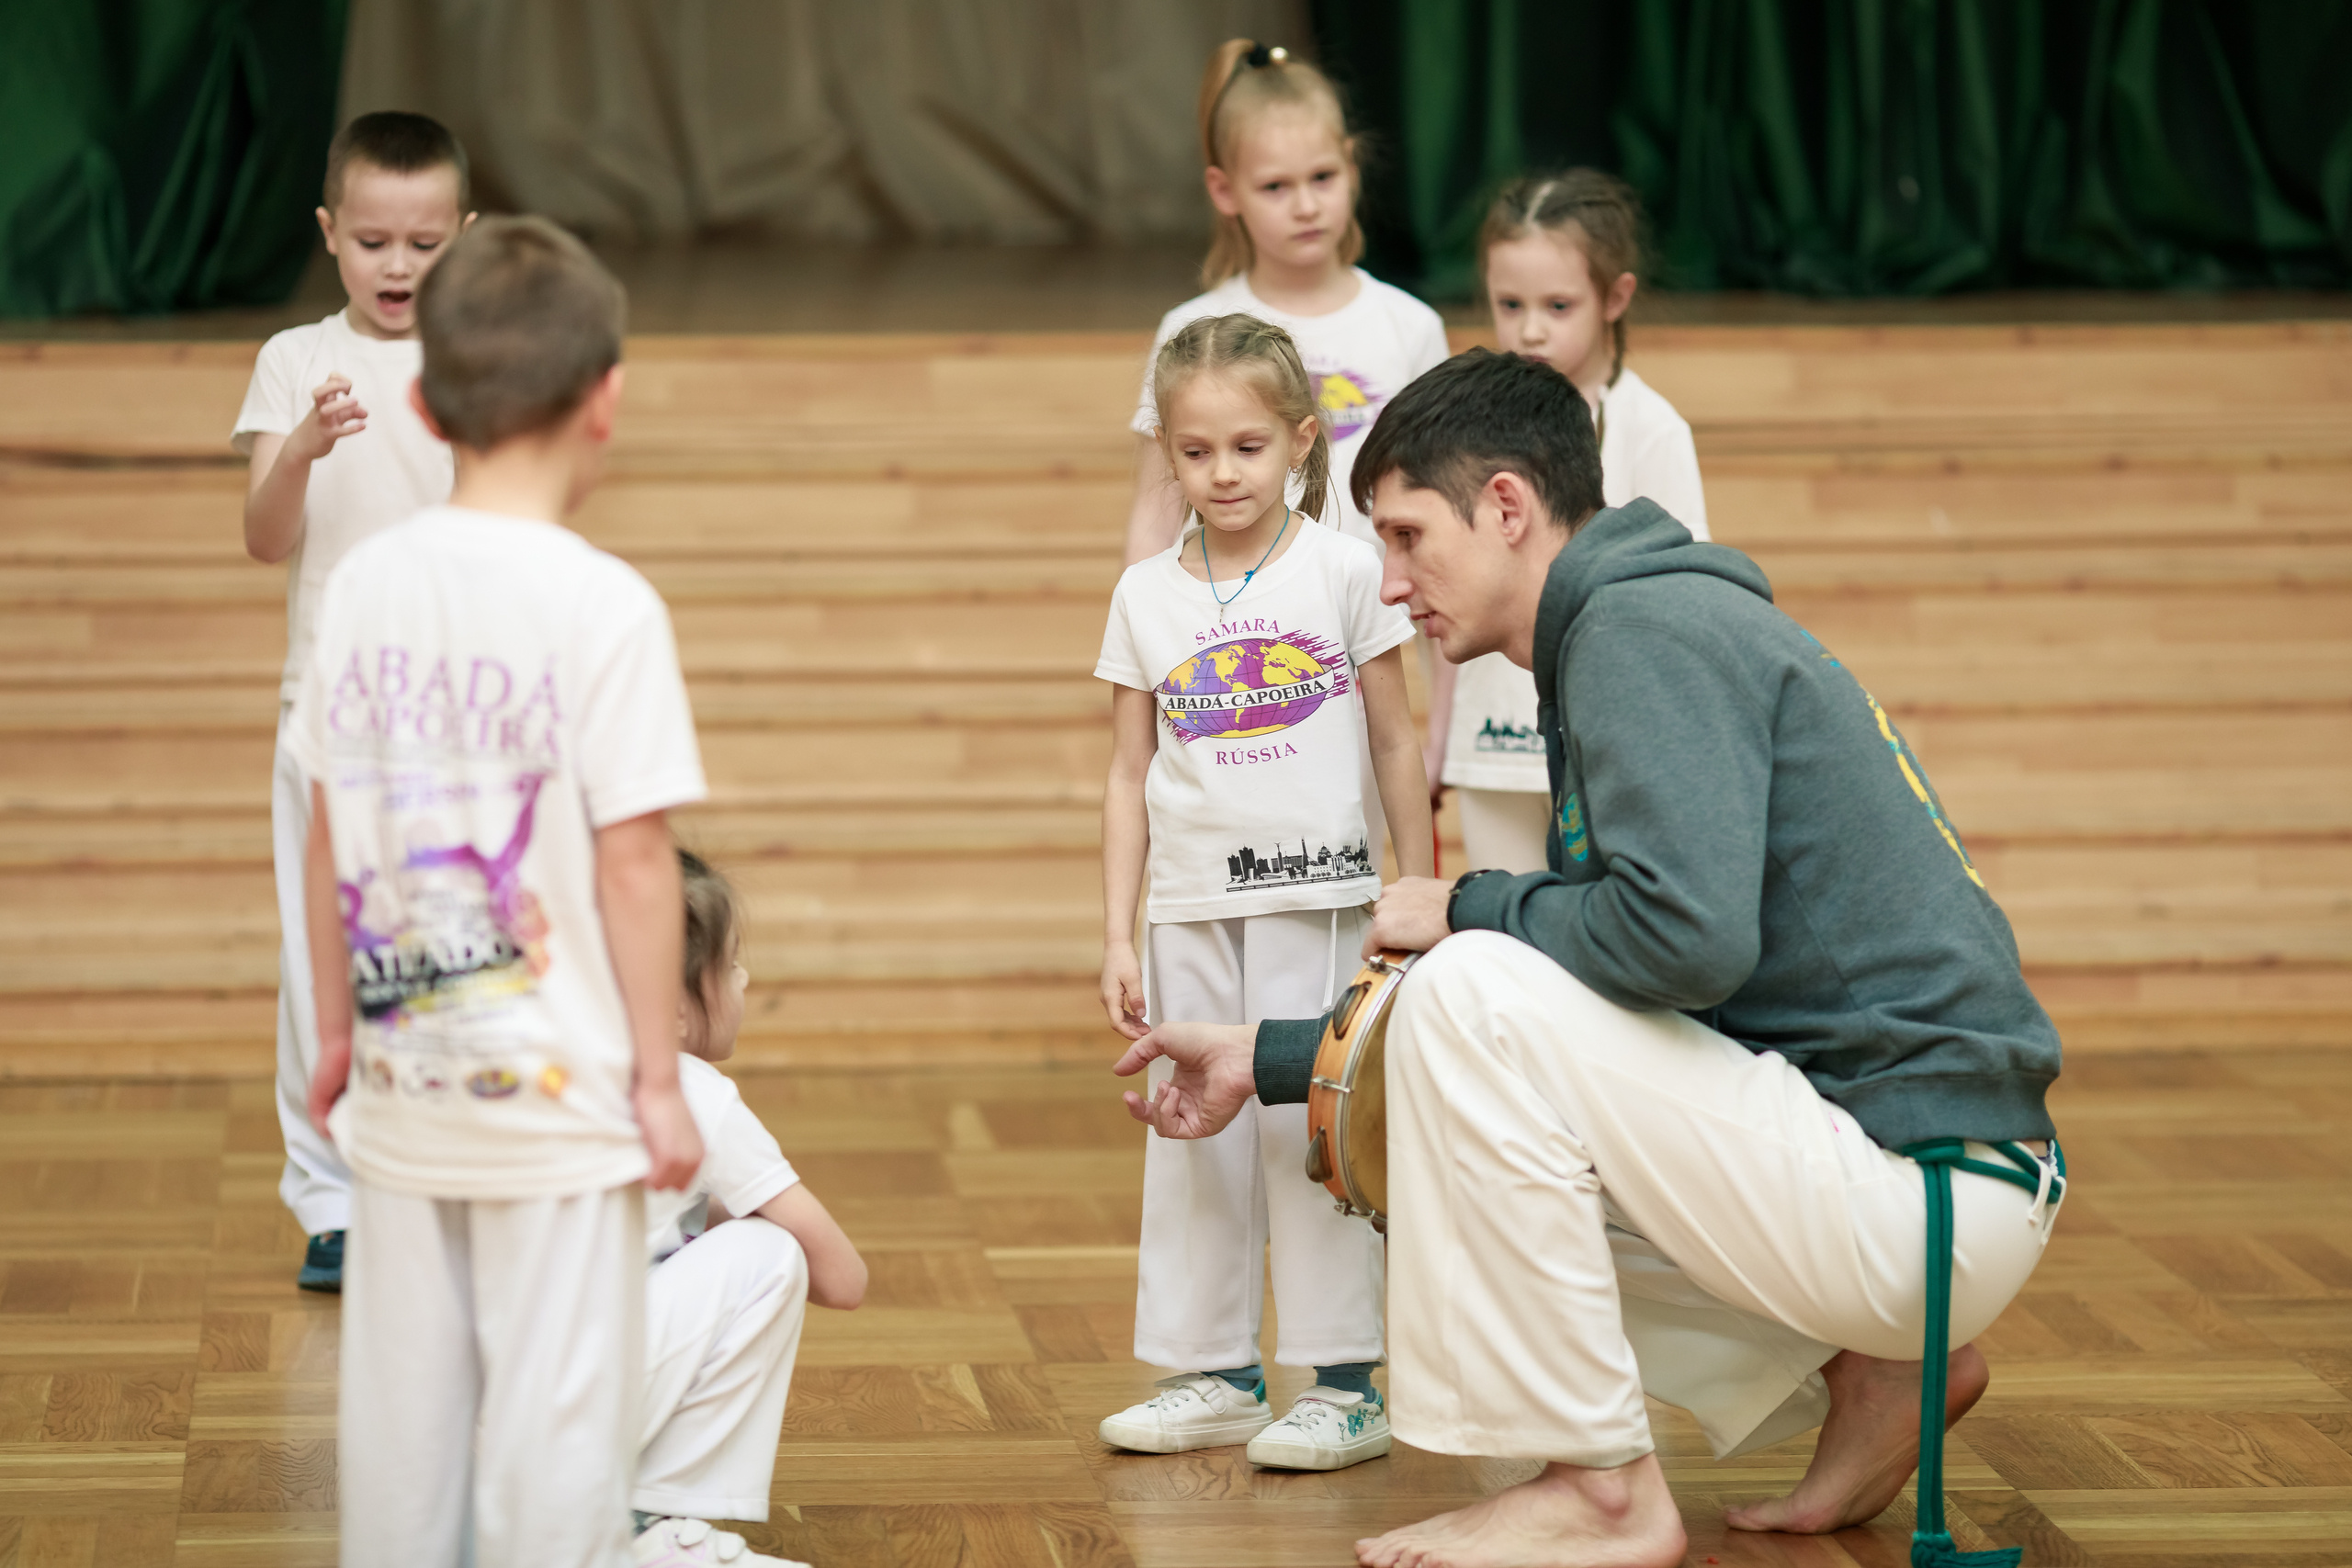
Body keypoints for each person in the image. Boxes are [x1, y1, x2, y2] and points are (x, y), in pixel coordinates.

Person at [1115, 349, 2064, 1568]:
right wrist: (1268, 1055)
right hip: (1928, 1189)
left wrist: (1469, 899)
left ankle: (1602, 1491)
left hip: (1928, 1191)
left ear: (1507, 505)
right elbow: (1622, 986)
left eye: (1408, 536)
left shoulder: (1640, 628)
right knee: (1433, 1121)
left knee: (1467, 982)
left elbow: (1683, 943)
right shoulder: (1631, 617)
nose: (1392, 582)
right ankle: (1871, 1365)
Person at [292, 215, 708, 1568]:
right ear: (608, 400)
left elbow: (323, 821)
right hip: (564, 1103)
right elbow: (636, 861)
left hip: (405, 1086)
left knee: (402, 1424)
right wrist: (658, 1075)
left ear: (422, 397)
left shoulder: (360, 585)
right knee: (558, 1426)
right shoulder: (607, 605)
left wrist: (342, 1031)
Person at [1094, 314, 1433, 1471]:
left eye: (1247, 446)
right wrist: (1118, 932)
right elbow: (1125, 774)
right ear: (1169, 454)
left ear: (1300, 440)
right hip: (1187, 907)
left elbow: (1397, 739)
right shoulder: (1142, 593)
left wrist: (1414, 878)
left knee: (1312, 1117)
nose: (1221, 473)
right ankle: (1214, 1372)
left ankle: (1346, 1382)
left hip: (1322, 899)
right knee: (1191, 1135)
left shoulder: (1345, 571)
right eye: (1195, 452)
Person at [232, 110, 475, 1292]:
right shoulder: (292, 360)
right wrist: (304, 450)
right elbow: (262, 537)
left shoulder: (479, 361)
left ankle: (439, 1181)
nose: (396, 265)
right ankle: (330, 1199)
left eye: (424, 243)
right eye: (373, 238)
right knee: (318, 953)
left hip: (456, 717)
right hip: (328, 715)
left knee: (453, 949)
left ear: (462, 237)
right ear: (329, 233)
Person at [1424, 171, 1709, 877]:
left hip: (1611, 746)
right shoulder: (1469, 429)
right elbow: (1445, 590)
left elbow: (1687, 599)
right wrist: (1440, 737)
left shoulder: (1653, 431)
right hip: (1493, 747)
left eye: (1558, 304)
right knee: (1510, 949)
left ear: (1615, 297)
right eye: (1509, 303)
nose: (1529, 328)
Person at [1122, 40, 1452, 566]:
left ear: (1351, 167)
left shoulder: (1411, 326)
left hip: (1370, 624)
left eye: (1322, 178)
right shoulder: (1188, 330)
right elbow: (1155, 516)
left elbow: (1439, 508)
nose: (1305, 206)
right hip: (1231, 627)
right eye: (1275, 186)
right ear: (1225, 191)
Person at [633, 849, 866, 1568]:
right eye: (730, 963)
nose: (744, 979)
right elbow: (844, 1279)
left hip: (460, 1434)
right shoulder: (692, 1091)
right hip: (556, 1421)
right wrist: (738, 1211)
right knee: (773, 1254)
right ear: (672, 1010)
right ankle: (657, 1529)